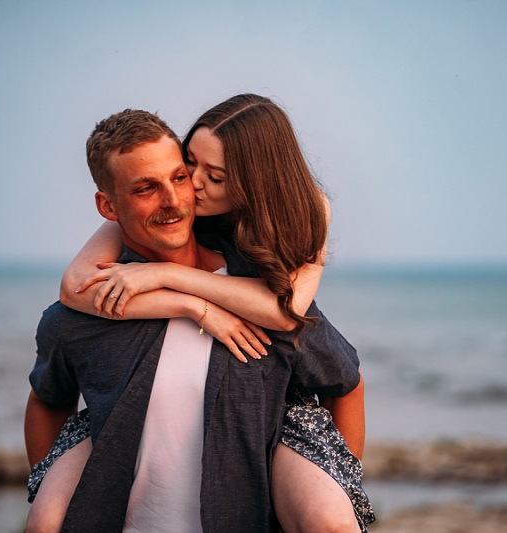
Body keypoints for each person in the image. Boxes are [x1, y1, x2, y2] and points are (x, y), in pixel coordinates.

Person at [25, 107, 367, 533]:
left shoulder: (259, 294)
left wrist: (336, 485)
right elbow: (47, 398)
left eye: (179, 177)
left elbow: (345, 384)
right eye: (146, 188)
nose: (174, 200)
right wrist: (48, 488)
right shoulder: (82, 313)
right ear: (107, 206)